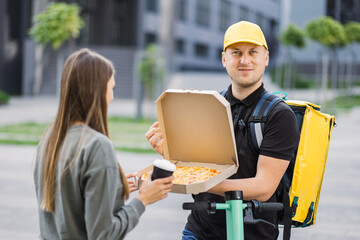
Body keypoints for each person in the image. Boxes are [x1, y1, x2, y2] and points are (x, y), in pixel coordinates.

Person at [145, 21, 299, 240]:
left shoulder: (279, 115)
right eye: (236, 53)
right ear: (224, 59)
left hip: (252, 234)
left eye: (252, 52)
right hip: (199, 230)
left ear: (266, 58)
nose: (244, 60)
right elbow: (194, 163)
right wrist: (168, 152)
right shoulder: (208, 105)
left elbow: (264, 186)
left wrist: (200, 182)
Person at [33, 48, 173, 240]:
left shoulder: (50, 137)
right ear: (97, 91)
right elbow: (103, 234)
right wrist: (142, 200)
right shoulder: (97, 145)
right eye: (111, 88)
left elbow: (69, 202)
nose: (112, 97)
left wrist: (111, 186)